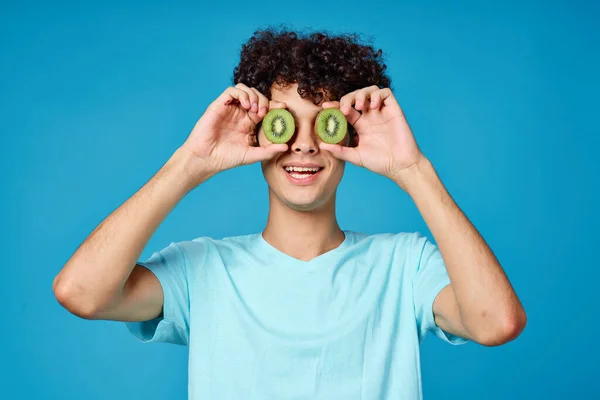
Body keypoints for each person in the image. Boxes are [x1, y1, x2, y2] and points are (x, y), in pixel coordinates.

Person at [53, 28, 527, 399]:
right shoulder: (204, 270)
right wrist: (190, 163)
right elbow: (81, 293)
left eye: (324, 121)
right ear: (258, 134)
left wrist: (413, 169)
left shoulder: (403, 266)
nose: (302, 143)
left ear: (349, 137)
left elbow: (496, 323)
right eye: (285, 123)